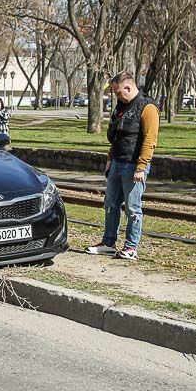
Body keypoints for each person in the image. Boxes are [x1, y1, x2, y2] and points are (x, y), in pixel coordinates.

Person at [86, 72, 159, 260]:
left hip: (133, 165)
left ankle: (131, 247)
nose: (117, 96)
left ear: (128, 87)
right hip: (117, 162)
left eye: (118, 92)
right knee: (110, 204)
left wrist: (141, 167)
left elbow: (150, 140)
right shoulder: (121, 107)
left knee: (133, 208)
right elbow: (117, 137)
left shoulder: (147, 107)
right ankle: (108, 243)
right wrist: (110, 159)